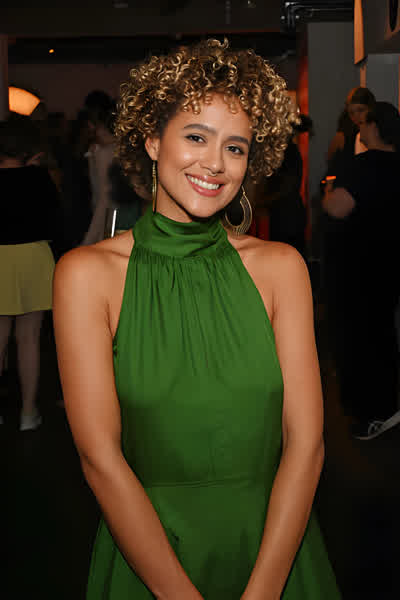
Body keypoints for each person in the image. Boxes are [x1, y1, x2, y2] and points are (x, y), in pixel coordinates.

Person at [53, 39, 340, 599]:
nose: (215, 163)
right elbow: (99, 459)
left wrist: (262, 592)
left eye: (235, 147)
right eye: (195, 137)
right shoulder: (86, 276)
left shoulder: (280, 269)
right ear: (152, 140)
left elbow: (306, 445)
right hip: (149, 558)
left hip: (276, 552)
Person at [323, 101, 400, 440]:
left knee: (357, 339)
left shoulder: (363, 165)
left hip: (358, 267)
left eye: (365, 122)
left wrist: (328, 190)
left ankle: (370, 412)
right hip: (390, 263)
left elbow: (337, 208)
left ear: (376, 127)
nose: (360, 128)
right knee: (382, 333)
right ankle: (387, 405)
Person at [0, 115, 59, 430]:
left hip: (0, 258)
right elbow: (55, 220)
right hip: (34, 257)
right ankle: (27, 413)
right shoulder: (40, 178)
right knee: (29, 339)